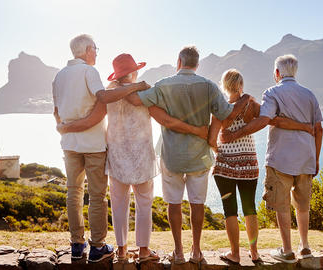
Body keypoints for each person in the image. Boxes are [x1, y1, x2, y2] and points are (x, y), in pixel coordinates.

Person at [56, 53, 208, 263]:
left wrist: (66, 126)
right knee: (144, 204)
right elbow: (161, 117)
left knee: (119, 205)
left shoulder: (108, 92)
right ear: (134, 71)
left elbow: (97, 117)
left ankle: (121, 250)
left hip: (117, 156)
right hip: (141, 157)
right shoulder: (144, 92)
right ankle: (144, 251)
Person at [125, 46, 252, 264]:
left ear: (179, 62)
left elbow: (137, 101)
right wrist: (211, 138)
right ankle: (196, 251)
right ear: (197, 64)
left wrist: (134, 85)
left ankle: (179, 252)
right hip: (200, 155)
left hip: (171, 155)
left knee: (173, 204)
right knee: (197, 204)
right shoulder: (210, 86)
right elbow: (224, 114)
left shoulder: (163, 85)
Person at [52, 34, 150, 262]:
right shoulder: (89, 71)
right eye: (95, 48)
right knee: (97, 195)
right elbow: (104, 97)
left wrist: (64, 128)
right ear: (87, 50)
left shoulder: (59, 76)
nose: (96, 52)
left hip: (69, 145)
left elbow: (56, 112)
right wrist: (136, 86)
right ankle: (97, 247)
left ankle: (77, 244)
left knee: (73, 192)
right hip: (93, 144)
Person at [220, 55, 323, 263]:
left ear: (277, 73)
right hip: (306, 158)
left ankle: (287, 251)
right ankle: (304, 247)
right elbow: (318, 129)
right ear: (295, 71)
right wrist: (316, 159)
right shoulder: (310, 95)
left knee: (282, 205)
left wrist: (233, 135)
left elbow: (265, 120)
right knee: (303, 205)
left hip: (280, 159)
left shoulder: (272, 92)